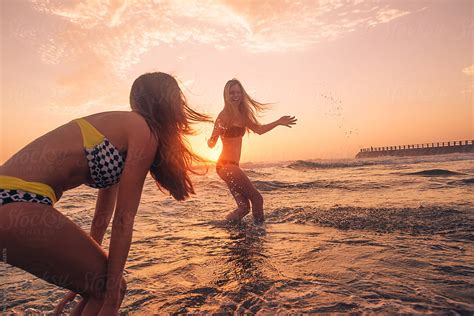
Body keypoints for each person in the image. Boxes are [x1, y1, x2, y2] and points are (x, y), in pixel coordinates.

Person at [0, 72, 211, 315]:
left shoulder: (120, 131)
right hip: (18, 198)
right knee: (110, 290)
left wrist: (81, 281)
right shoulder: (143, 130)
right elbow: (124, 220)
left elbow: (102, 218)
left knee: (99, 287)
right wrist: (110, 297)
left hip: (11, 199)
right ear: (171, 102)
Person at [207, 79, 297, 223]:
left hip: (232, 166)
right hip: (225, 166)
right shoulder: (223, 116)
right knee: (257, 198)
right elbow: (211, 144)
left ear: (242, 94)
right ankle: (260, 233)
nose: (235, 95)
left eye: (238, 92)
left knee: (243, 208)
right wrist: (215, 133)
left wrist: (278, 122)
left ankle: (222, 225)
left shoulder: (243, 116)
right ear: (226, 95)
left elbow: (259, 130)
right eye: (231, 93)